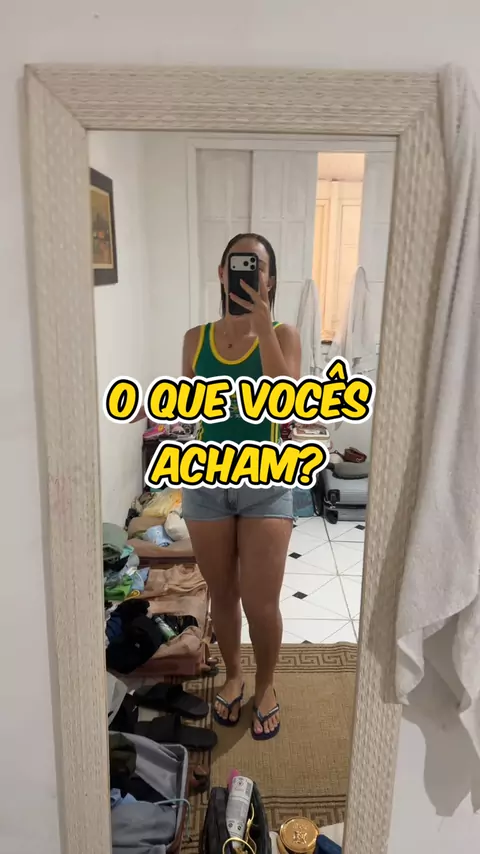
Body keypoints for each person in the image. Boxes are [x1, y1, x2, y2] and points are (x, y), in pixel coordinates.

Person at [181, 234, 301, 740]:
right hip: (207, 483)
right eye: (237, 265)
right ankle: (233, 675)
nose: (248, 274)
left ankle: (266, 685)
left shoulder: (285, 335)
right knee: (224, 596)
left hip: (266, 483)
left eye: (258, 267)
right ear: (221, 273)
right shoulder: (195, 338)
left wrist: (262, 327)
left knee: (261, 603)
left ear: (270, 280)